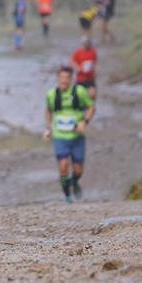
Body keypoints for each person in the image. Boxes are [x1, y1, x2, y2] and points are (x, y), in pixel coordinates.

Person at [43, 65, 95, 203]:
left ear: (71, 79)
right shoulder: (51, 94)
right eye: (62, 77)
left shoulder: (79, 92)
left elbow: (91, 107)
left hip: (77, 138)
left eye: (67, 78)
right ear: (57, 78)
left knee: (78, 170)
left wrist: (84, 122)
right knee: (63, 166)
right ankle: (68, 197)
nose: (64, 80)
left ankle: (74, 181)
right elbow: (48, 110)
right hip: (60, 137)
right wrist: (48, 128)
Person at [70, 35, 98, 99]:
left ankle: (90, 106)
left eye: (88, 42)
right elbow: (72, 62)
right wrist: (76, 67)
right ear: (83, 43)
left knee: (93, 95)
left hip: (90, 78)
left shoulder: (93, 51)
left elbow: (95, 61)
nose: (87, 44)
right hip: (81, 78)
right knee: (73, 96)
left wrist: (95, 67)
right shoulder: (78, 52)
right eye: (85, 43)